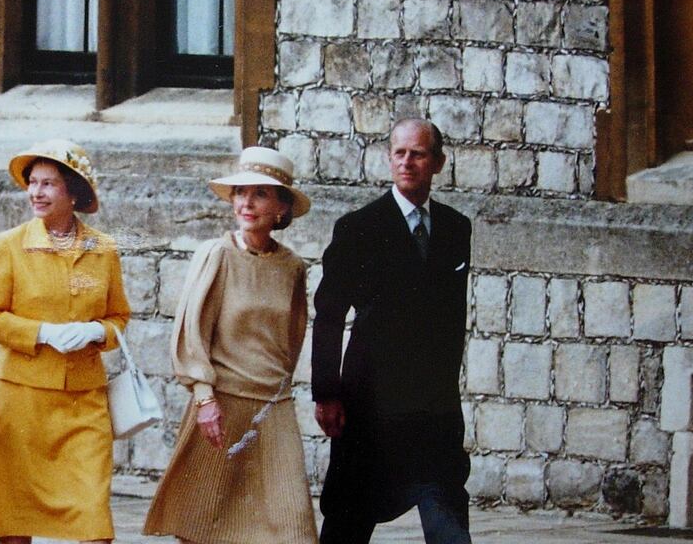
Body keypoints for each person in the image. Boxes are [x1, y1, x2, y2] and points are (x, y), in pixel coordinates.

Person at [143, 146, 318, 543]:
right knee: (203, 526)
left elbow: (292, 337)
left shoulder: (292, 267)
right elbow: (192, 330)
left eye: (260, 194)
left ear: (281, 207)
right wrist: (204, 398)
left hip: (273, 411)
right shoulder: (216, 254)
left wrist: (277, 388)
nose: (247, 203)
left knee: (292, 528)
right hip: (220, 407)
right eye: (241, 192)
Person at [311, 118, 473, 544]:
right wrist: (326, 393)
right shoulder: (359, 228)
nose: (407, 162)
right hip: (370, 405)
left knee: (449, 522)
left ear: (437, 163)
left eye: (418, 154)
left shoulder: (457, 229)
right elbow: (328, 314)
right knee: (349, 516)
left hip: (433, 409)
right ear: (388, 159)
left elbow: (452, 317)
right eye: (399, 153)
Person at [0, 139, 130, 544]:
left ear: (73, 192)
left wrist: (98, 332)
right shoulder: (9, 245)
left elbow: (118, 318)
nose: (36, 193)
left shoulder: (103, 248)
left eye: (49, 184)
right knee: (16, 518)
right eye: (33, 183)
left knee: (94, 517)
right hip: (21, 401)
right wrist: (43, 333)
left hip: (84, 401)